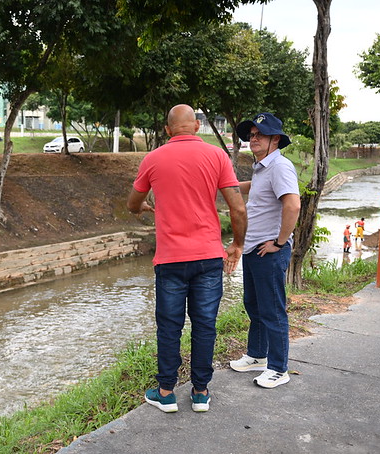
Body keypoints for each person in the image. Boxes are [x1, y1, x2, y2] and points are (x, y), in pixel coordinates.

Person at [128, 104, 247, 413]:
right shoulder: (218, 156)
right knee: (205, 325)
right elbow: (237, 208)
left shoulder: (153, 159)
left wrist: (142, 208)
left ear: (168, 130)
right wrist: (236, 244)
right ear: (196, 126)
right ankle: (200, 393)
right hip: (209, 256)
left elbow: (132, 203)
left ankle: (166, 392)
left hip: (170, 260)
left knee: (169, 327)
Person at [228, 112, 300, 389]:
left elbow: (292, 205)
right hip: (254, 249)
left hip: (269, 250)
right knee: (255, 306)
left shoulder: (280, 166)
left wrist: (280, 242)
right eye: (252, 134)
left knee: (272, 310)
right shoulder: (263, 167)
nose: (253, 138)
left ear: (276, 140)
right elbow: (255, 188)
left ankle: (279, 368)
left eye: (260, 134)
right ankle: (258, 355)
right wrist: (225, 188)